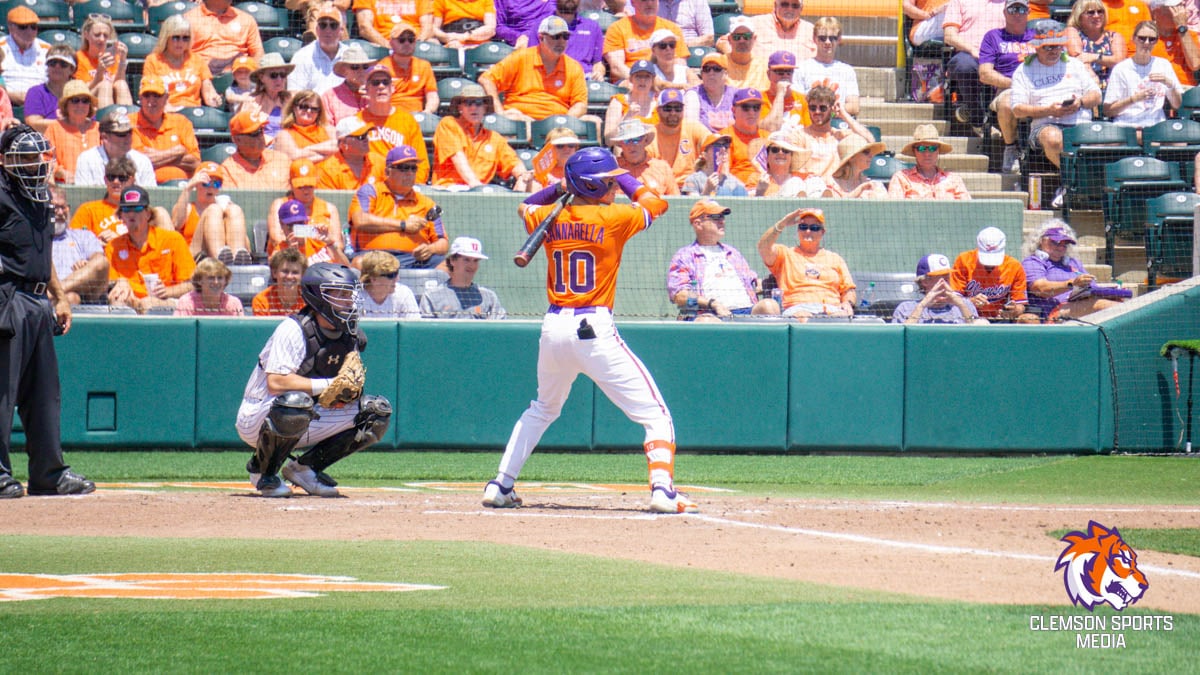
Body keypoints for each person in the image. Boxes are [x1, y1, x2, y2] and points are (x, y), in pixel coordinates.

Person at [484, 146, 697, 514]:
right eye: (608, 181)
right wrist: (622, 178)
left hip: (553, 327)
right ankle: (662, 489)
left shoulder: (546, 217)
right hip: (593, 327)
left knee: (542, 408)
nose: (614, 186)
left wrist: (559, 188)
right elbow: (655, 202)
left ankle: (501, 484)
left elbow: (526, 204)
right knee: (655, 415)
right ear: (595, 186)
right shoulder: (614, 216)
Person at [236, 262, 393, 498]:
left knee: (375, 413)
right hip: (259, 415)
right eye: (339, 294)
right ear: (318, 296)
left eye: (348, 294)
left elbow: (345, 385)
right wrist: (328, 385)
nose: (348, 300)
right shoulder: (293, 329)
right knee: (295, 403)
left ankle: (306, 469)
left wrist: (348, 393)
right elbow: (276, 383)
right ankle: (263, 472)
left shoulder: (349, 333)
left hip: (309, 413)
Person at [0, 124, 95, 499]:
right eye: (25, 157)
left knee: (44, 394)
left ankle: (48, 473)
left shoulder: (39, 197)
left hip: (39, 301)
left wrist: (60, 296)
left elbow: (44, 255)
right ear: (6, 161)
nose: (35, 164)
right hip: (7, 297)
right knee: (2, 393)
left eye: (39, 156)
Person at [1011, 24, 1103, 207]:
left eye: (1058, 46)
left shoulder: (1074, 65)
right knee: (1054, 139)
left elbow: (1096, 96)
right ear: (1037, 46)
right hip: (1045, 125)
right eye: (1048, 47)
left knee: (1116, 140)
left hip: (1080, 123)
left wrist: (1080, 103)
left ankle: (1069, 185)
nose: (1054, 51)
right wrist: (1049, 110)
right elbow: (1017, 109)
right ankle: (1079, 184)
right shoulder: (1024, 70)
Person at [667, 199, 772, 320]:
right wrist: (712, 303)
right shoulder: (684, 256)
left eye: (723, 217)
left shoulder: (733, 253)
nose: (722, 221)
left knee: (769, 306)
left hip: (747, 310)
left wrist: (759, 282)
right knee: (706, 321)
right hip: (710, 313)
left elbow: (752, 279)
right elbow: (680, 296)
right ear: (698, 224)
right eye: (716, 217)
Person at [350, 144, 449, 268]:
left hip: (412, 259)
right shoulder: (371, 191)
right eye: (403, 168)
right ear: (387, 171)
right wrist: (403, 225)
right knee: (359, 263)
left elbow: (443, 242)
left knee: (448, 265)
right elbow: (360, 220)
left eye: (413, 168)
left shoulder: (426, 203)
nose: (409, 173)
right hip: (374, 256)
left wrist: (430, 249)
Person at [480, 15, 589, 122]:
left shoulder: (573, 66)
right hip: (521, 120)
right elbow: (486, 79)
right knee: (514, 118)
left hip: (556, 124)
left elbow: (580, 104)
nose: (561, 41)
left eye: (565, 36)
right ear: (541, 37)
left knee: (594, 121)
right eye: (555, 36)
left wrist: (563, 122)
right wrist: (500, 112)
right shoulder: (521, 57)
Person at [106, 186, 197, 313]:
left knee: (148, 304)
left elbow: (192, 285)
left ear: (148, 214)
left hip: (167, 300)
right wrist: (119, 282)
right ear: (120, 215)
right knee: (117, 298)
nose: (131, 214)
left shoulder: (172, 239)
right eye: (126, 209)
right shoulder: (113, 246)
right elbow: (109, 283)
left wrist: (167, 291)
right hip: (131, 301)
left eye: (137, 209)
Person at [756, 207, 856, 319]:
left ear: (822, 232)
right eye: (803, 227)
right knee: (804, 317)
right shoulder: (785, 254)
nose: (808, 231)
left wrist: (848, 303)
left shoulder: (835, 258)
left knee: (842, 316)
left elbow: (849, 290)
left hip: (831, 309)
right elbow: (763, 247)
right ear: (798, 230)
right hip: (798, 309)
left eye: (814, 228)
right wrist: (782, 223)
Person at [432, 84, 532, 188]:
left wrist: (522, 176)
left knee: (528, 182)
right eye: (468, 103)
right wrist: (476, 186)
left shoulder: (494, 138)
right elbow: (458, 157)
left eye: (478, 103)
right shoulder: (448, 124)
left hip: (480, 194)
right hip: (448, 190)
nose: (474, 107)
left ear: (485, 108)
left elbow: (513, 162)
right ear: (460, 107)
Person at [1021, 219, 1123, 320]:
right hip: (1053, 312)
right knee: (1106, 306)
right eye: (1056, 242)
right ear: (1041, 241)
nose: (1061, 248)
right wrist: (1072, 284)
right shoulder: (1033, 262)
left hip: (1079, 306)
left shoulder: (1073, 263)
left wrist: (1109, 294)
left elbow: (1092, 287)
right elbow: (1040, 288)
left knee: (1121, 304)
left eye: (1065, 244)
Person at [978, 0, 1036, 174]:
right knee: (1006, 104)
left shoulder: (1040, 35)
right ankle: (1010, 147)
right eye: (1012, 9)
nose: (1017, 13)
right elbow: (985, 74)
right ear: (1004, 12)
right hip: (1008, 88)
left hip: (1041, 86)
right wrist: (1017, 84)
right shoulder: (993, 36)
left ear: (1029, 11)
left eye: (1021, 8)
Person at [1104, 20, 1184, 130]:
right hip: (1127, 127)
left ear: (1156, 41)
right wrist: (1134, 99)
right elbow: (1108, 111)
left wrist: (1170, 84)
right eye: (1142, 38)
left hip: (1157, 127)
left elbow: (1177, 105)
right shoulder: (1121, 69)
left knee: (1181, 144)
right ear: (1134, 39)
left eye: (1152, 39)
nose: (1147, 43)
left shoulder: (1163, 65)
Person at [357, 64, 431, 183]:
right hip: (367, 186)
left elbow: (422, 164)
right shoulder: (356, 122)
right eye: (375, 83)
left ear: (392, 88)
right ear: (366, 89)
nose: (381, 87)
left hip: (400, 186)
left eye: (385, 82)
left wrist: (408, 189)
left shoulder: (407, 121)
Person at [170, 161, 253, 263]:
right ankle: (219, 261)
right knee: (213, 210)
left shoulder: (226, 209)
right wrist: (188, 188)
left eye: (216, 184)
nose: (211, 188)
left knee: (234, 209)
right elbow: (176, 224)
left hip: (228, 262)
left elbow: (248, 248)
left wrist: (232, 219)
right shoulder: (188, 208)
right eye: (206, 183)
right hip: (195, 258)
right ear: (196, 184)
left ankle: (236, 266)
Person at [943, 0, 1007, 129]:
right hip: (969, 53)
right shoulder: (959, 1)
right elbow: (949, 35)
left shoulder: (1009, 3)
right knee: (964, 66)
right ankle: (976, 114)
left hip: (1002, 54)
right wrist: (972, 49)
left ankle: (999, 118)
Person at [268, 160, 349, 261]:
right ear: (290, 184)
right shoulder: (280, 204)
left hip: (322, 261)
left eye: (310, 186)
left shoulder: (329, 208)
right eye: (301, 187)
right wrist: (312, 233)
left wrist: (325, 238)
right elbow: (276, 239)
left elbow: (338, 245)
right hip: (289, 260)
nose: (306, 191)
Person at [950, 225, 1034, 322]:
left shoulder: (1014, 266)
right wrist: (970, 302)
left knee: (1030, 319)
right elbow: (954, 298)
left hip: (999, 319)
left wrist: (1013, 310)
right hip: (968, 317)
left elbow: (1021, 304)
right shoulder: (964, 260)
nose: (990, 264)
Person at [129, 77, 203, 185]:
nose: (151, 101)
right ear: (140, 98)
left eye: (157, 95)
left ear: (166, 98)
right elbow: (135, 163)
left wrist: (156, 156)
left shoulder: (181, 122)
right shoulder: (130, 122)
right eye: (146, 96)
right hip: (145, 187)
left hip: (182, 188)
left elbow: (195, 162)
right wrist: (178, 151)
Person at [792, 83, 875, 177]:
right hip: (810, 187)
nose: (817, 112)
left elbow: (870, 141)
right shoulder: (799, 135)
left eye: (822, 108)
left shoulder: (841, 136)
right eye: (813, 108)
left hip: (838, 186)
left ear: (832, 109)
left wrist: (844, 115)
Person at [142, 14, 222, 111]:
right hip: (167, 112)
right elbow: (150, 93)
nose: (180, 42)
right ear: (166, 38)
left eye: (185, 38)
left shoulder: (197, 60)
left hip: (194, 112)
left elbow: (208, 90)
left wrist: (214, 98)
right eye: (176, 37)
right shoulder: (153, 60)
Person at [603, 0, 689, 83]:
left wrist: (663, 83)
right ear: (633, 2)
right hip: (630, 83)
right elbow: (617, 68)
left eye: (653, 0)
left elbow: (680, 64)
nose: (649, 3)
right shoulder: (617, 28)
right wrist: (645, 81)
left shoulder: (672, 28)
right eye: (644, 0)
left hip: (666, 82)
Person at [419, 236, 506, 318]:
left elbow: (499, 331)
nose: (471, 265)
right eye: (466, 260)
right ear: (452, 260)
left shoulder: (489, 297)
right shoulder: (432, 297)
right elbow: (426, 332)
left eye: (475, 261)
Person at [49, 187, 109, 306]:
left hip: (85, 293)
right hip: (52, 296)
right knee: (71, 298)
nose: (60, 213)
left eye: (63, 207)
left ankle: (53, 292)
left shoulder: (83, 236)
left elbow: (99, 261)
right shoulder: (35, 239)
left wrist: (86, 265)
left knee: (101, 262)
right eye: (55, 208)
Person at [523, 0, 606, 81]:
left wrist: (599, 72)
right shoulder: (541, 25)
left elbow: (598, 63)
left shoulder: (592, 27)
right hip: (550, 79)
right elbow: (532, 59)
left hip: (584, 79)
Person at [793, 17, 861, 117]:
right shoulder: (802, 69)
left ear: (839, 39)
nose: (828, 42)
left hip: (838, 124)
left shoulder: (847, 70)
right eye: (822, 38)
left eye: (832, 38)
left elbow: (854, 107)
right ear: (814, 39)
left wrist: (825, 112)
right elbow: (798, 105)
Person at [74, 110, 159, 188]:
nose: (128, 137)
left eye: (129, 132)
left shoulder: (142, 161)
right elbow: (84, 197)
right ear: (105, 137)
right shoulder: (87, 160)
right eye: (122, 134)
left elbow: (151, 197)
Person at [892, 254, 984, 324]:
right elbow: (900, 339)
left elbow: (977, 334)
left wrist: (961, 305)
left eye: (947, 277)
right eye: (941, 278)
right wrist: (922, 306)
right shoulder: (905, 308)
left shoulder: (965, 305)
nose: (946, 283)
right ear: (924, 281)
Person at [889, 124, 973, 200]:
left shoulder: (954, 180)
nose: (927, 153)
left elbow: (967, 210)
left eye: (933, 148)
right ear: (914, 151)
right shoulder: (901, 178)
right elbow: (895, 211)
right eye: (921, 148)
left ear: (938, 151)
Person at [185, 0, 267, 76]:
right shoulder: (189, 19)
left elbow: (257, 53)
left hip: (239, 76)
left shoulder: (246, 19)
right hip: (201, 75)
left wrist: (252, 74)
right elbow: (180, 55)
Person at [220, 108, 293, 190]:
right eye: (255, 133)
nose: (260, 136)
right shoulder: (228, 169)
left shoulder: (281, 160)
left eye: (261, 130)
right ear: (237, 140)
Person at [42, 81, 100, 185]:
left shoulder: (99, 128)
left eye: (85, 101)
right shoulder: (54, 128)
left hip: (97, 186)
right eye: (75, 100)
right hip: (65, 187)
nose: (80, 105)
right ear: (65, 105)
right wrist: (60, 172)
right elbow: (47, 159)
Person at [647, 89, 709, 186]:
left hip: (690, 187)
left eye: (678, 108)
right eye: (668, 108)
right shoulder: (650, 135)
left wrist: (705, 159)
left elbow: (715, 144)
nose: (673, 113)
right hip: (661, 187)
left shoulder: (693, 128)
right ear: (658, 110)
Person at [69, 157, 137, 244]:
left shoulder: (139, 211)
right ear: (105, 180)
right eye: (111, 177)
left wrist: (119, 240)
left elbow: (147, 243)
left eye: (122, 178)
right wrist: (96, 243)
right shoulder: (88, 210)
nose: (116, 182)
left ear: (131, 180)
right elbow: (73, 242)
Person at [377, 23, 439, 114]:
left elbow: (432, 95)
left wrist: (427, 112)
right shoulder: (382, 66)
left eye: (411, 40)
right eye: (401, 40)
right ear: (391, 43)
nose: (406, 43)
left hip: (418, 115)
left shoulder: (424, 65)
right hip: (391, 115)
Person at [74, 14, 132, 109]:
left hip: (109, 99)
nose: (102, 39)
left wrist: (122, 61)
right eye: (97, 35)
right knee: (105, 85)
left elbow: (117, 83)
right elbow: (80, 91)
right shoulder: (79, 57)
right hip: (84, 102)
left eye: (105, 35)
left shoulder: (113, 57)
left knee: (121, 84)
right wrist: (99, 73)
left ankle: (127, 120)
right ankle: (106, 123)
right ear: (86, 35)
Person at [288, 4, 348, 95]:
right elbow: (294, 95)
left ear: (341, 30)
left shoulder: (350, 55)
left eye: (333, 25)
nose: (328, 30)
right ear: (316, 29)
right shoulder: (302, 56)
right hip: (313, 108)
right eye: (323, 25)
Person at [1065, 0, 1126, 91]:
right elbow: (1079, 58)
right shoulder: (1072, 32)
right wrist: (1093, 80)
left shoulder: (1114, 37)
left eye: (1100, 11)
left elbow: (1119, 61)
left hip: (1113, 88)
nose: (1096, 16)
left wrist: (1093, 57)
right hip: (1084, 87)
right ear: (1079, 16)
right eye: (1091, 12)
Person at [271, 198, 350, 266]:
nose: (295, 229)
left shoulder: (320, 241)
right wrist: (292, 253)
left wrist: (330, 244)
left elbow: (347, 269)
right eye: (290, 225)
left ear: (306, 222)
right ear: (281, 225)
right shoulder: (279, 252)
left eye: (300, 223)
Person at [611, 120, 680, 195]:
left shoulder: (663, 168)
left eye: (636, 139)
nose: (632, 145)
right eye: (626, 140)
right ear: (620, 144)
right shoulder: (611, 169)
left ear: (645, 140)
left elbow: (676, 201)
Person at [718, 88, 769, 187]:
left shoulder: (768, 138)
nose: (752, 112)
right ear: (733, 110)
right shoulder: (724, 137)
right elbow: (722, 176)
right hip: (737, 193)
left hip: (767, 192)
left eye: (756, 107)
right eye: (746, 107)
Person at [754, 130, 829, 198]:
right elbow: (749, 208)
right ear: (766, 156)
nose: (780, 153)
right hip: (776, 211)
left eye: (785, 150)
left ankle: (823, 206)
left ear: (791, 156)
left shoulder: (805, 177)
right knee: (794, 182)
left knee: (815, 181)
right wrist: (759, 192)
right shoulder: (756, 179)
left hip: (806, 211)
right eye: (775, 150)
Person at [317, 117, 386, 190]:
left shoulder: (379, 162)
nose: (366, 139)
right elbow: (327, 200)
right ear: (343, 142)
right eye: (361, 137)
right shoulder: (328, 170)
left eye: (366, 135)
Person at [0, 6, 49, 107]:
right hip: (5, 102)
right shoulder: (1, 47)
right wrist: (9, 95)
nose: (29, 31)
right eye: (23, 27)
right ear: (10, 27)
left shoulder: (47, 49)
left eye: (33, 27)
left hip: (41, 103)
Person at [273, 90, 339, 162]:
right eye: (304, 107)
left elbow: (339, 147)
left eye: (314, 109)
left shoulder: (328, 129)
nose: (309, 111)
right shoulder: (284, 134)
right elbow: (295, 158)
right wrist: (328, 154)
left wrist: (308, 149)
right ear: (294, 108)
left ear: (319, 112)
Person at [604, 60, 658, 144]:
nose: (642, 80)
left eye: (647, 76)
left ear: (653, 80)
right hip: (626, 149)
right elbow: (608, 139)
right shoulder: (618, 102)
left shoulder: (659, 104)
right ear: (631, 79)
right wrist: (627, 118)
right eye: (638, 76)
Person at [24, 46, 76, 134]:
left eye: (63, 64)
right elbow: (33, 123)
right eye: (52, 63)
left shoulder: (80, 94)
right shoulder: (36, 92)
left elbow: (88, 123)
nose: (57, 67)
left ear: (72, 69)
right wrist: (69, 124)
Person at [1148, 0, 1200, 87]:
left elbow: (1195, 64)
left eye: (1181, 7)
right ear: (1155, 13)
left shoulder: (1188, 34)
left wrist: (1182, 28)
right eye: (1173, 8)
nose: (1179, 12)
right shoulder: (1144, 37)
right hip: (1155, 89)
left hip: (1185, 89)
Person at [248, 53, 296, 144]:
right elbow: (247, 133)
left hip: (290, 145)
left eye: (282, 75)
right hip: (263, 148)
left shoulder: (291, 100)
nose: (279, 79)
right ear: (262, 78)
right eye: (273, 75)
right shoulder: (252, 103)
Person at [357, 250, 421, 317]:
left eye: (396, 273)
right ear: (374, 279)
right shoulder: (354, 297)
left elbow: (413, 326)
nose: (397, 279)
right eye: (391, 275)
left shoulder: (404, 293)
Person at [623, 0, 714, 47]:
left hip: (690, 53)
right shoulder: (650, 2)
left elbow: (709, 38)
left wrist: (677, 45)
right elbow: (629, 15)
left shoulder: (697, 1)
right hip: (655, 55)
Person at [321, 46, 374, 126]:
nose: (361, 71)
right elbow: (326, 128)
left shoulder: (377, 92)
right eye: (355, 67)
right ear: (344, 70)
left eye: (365, 67)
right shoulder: (329, 96)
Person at [681, 132, 748, 196]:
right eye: (717, 145)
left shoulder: (733, 182)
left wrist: (758, 190)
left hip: (730, 207)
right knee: (724, 191)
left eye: (726, 146)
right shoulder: (694, 179)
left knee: (739, 190)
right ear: (705, 155)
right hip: (707, 207)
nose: (723, 149)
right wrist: (707, 191)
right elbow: (692, 206)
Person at [760, 51, 811, 133]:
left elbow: (810, 132)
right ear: (769, 74)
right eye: (780, 72)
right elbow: (770, 128)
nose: (785, 76)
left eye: (789, 72)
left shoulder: (803, 100)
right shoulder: (759, 99)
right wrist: (780, 94)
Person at [173, 258, 245, 316]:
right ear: (199, 280)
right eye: (211, 278)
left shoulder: (233, 303)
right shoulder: (186, 302)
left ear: (225, 281)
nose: (216, 282)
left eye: (220, 278)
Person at [684, 53, 736, 132]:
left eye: (716, 69)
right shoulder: (693, 95)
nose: (711, 73)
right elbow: (691, 130)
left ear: (726, 74)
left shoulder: (736, 95)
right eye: (707, 69)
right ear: (702, 74)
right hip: (703, 142)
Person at [826, 134, 889, 198]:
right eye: (866, 152)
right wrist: (860, 190)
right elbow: (836, 206)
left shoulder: (875, 186)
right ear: (852, 157)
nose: (871, 156)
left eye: (871, 152)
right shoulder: (831, 185)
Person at [354, 0, 434, 49]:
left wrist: (413, 45)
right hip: (381, 44)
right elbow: (365, 27)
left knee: (433, 45)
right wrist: (388, 46)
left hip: (413, 42)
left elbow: (427, 27)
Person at [719, 16, 770, 92]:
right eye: (737, 37)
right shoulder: (719, 64)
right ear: (729, 39)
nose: (742, 41)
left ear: (754, 38)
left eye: (747, 36)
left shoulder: (764, 67)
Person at [253, 248, 309, 316]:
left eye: (295, 272)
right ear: (274, 273)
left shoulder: (308, 300)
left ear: (302, 275)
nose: (289, 276)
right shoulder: (261, 301)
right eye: (285, 271)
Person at [431, 0, 498, 48]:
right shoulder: (440, 1)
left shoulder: (487, 1)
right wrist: (446, 37)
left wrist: (465, 36)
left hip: (481, 43)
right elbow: (434, 29)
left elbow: (491, 28)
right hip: (452, 43)